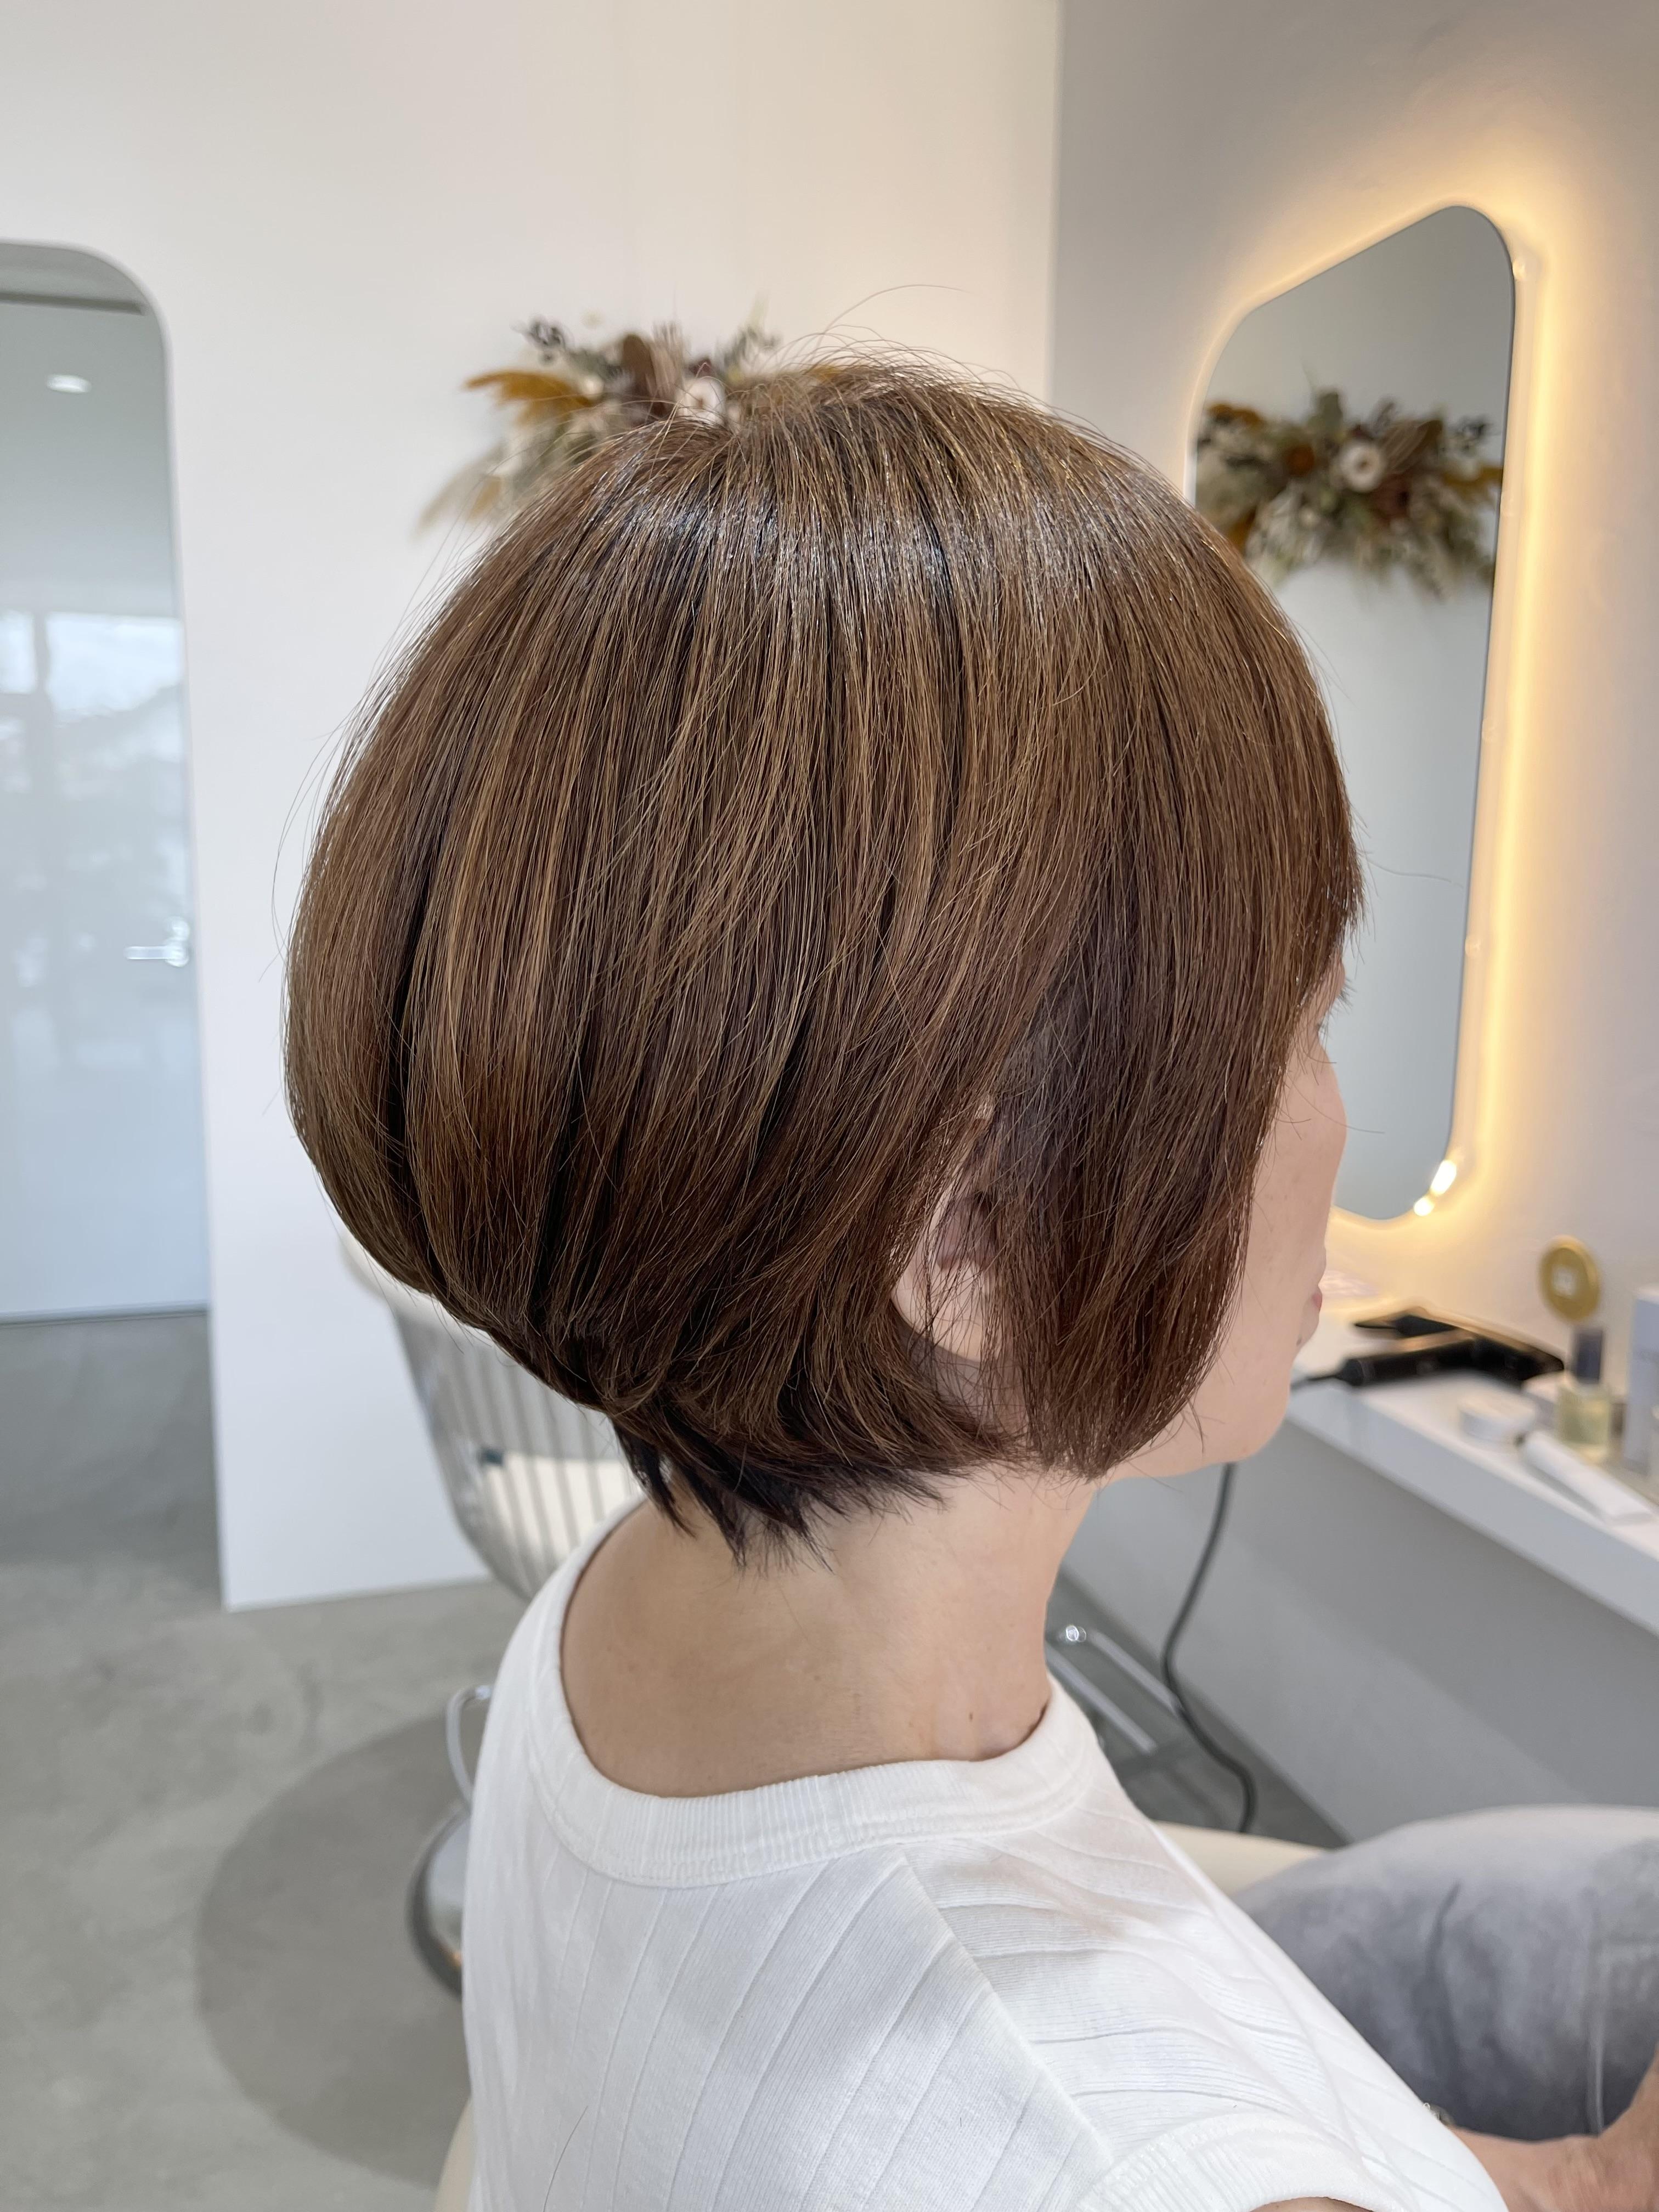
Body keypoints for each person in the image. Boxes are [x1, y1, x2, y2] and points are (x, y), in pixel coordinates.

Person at [284, 362, 1659, 2211]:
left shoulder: (641, 1598)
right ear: (967, 1235)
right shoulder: (1089, 2152)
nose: (1335, 1118)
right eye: (1306, 1026)